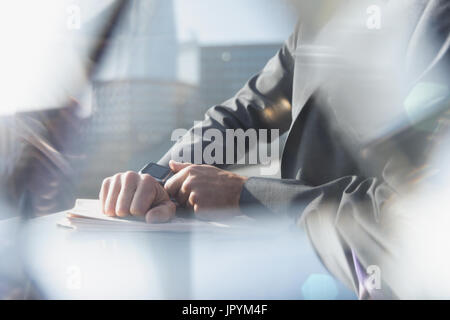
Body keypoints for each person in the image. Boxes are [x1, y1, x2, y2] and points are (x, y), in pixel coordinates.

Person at [100, 0, 450, 298]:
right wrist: (157, 180)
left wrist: (245, 193)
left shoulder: (437, 18)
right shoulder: (318, 25)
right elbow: (243, 113)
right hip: (303, 270)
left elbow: (414, 209)